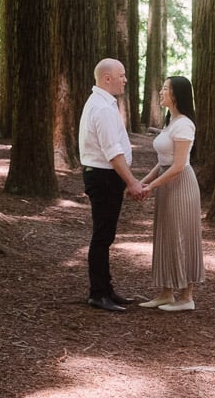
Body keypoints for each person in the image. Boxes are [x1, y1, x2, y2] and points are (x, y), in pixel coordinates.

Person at [78, 57, 144, 312]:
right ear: (107, 78)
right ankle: (98, 293)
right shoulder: (102, 108)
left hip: (105, 176)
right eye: (122, 75)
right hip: (103, 177)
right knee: (102, 236)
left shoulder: (102, 103)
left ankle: (106, 288)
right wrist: (132, 182)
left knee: (105, 235)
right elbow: (112, 152)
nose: (125, 79)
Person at [138, 76, 204, 312]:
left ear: (177, 95)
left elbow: (177, 166)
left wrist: (150, 187)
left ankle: (186, 296)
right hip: (167, 184)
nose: (161, 92)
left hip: (181, 185)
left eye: (165, 89)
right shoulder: (171, 122)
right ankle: (166, 293)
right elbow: (162, 162)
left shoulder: (184, 124)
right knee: (166, 235)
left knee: (181, 236)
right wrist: (142, 182)